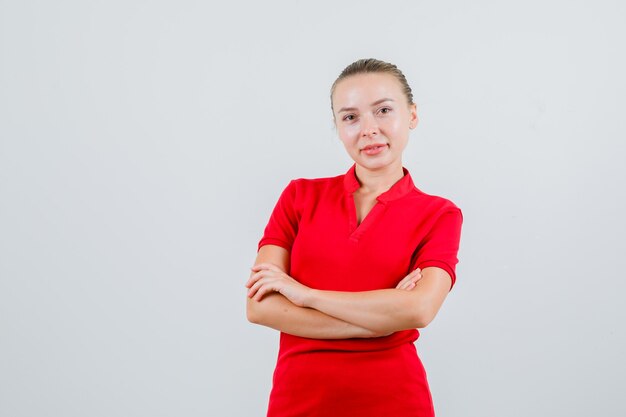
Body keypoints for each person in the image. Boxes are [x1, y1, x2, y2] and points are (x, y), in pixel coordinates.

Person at [245, 58, 463, 417]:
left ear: (411, 115)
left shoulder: (439, 214)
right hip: (297, 403)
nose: (369, 129)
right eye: (350, 117)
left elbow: (420, 309)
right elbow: (260, 307)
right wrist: (381, 323)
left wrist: (305, 295)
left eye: (383, 111)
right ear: (337, 126)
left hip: (395, 401)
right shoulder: (299, 197)